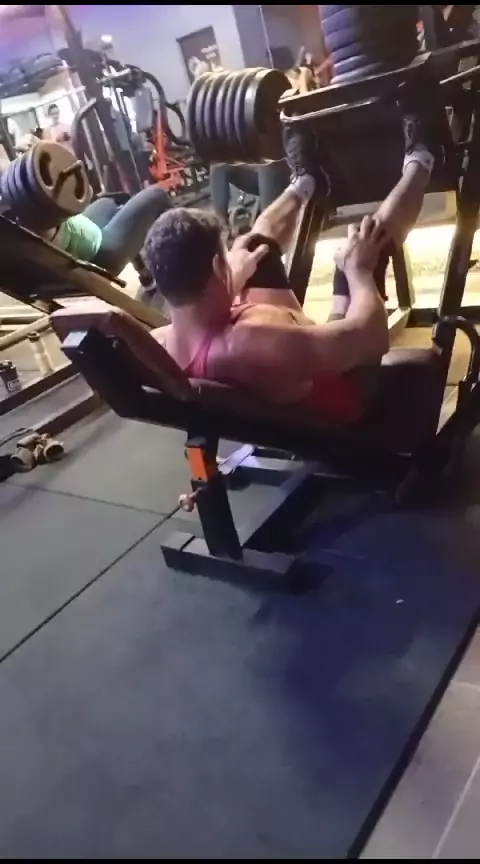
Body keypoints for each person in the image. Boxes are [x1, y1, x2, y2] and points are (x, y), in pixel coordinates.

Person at [140, 88, 438, 422]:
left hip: (287, 360)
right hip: (346, 389)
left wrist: (230, 279)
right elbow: (371, 338)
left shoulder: (159, 345)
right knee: (365, 243)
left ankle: (306, 183)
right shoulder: (259, 344)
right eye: (223, 259)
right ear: (214, 266)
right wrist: (360, 273)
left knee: (254, 247)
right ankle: (423, 158)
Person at [46, 184, 173, 276]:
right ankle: (177, 266)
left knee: (107, 202)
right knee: (157, 195)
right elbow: (84, 193)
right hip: (97, 255)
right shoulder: (40, 215)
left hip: (76, 233)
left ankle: (144, 272)